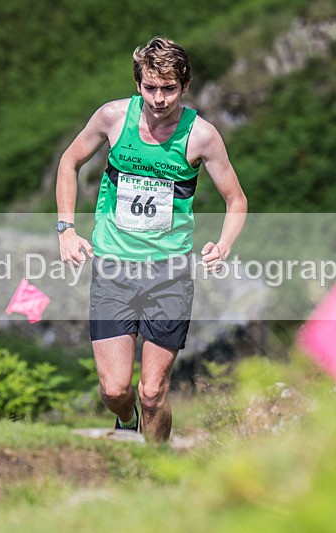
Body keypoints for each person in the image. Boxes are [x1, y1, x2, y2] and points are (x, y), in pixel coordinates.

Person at [56, 36, 247, 442]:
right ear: (138, 83)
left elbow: (237, 201)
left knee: (153, 391)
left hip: (170, 275)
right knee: (115, 390)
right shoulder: (112, 118)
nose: (159, 98)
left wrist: (224, 244)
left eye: (169, 89)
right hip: (113, 268)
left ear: (186, 85)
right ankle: (126, 424)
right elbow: (69, 162)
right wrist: (66, 228)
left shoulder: (202, 137)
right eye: (150, 88)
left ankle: (156, 468)